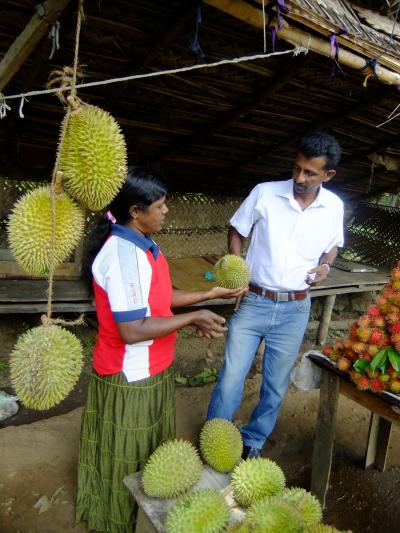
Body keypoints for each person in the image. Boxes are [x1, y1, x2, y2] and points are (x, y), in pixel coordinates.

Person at [76, 166, 245, 533]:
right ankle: (116, 519)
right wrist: (192, 318)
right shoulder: (121, 255)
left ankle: (136, 516)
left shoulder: (145, 246)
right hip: (129, 372)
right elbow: (133, 330)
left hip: (152, 366)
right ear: (136, 212)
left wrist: (208, 295)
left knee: (146, 453)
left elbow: (159, 298)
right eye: (160, 205)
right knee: (127, 454)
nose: (166, 211)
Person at [206, 130, 344, 459]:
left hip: (295, 309)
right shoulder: (265, 194)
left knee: (275, 385)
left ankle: (253, 440)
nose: (299, 177)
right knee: (230, 378)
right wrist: (236, 264)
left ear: (328, 174)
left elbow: (333, 246)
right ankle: (214, 440)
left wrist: (324, 267)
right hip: (254, 300)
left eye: (310, 173)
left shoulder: (333, 206)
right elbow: (237, 229)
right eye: (297, 168)